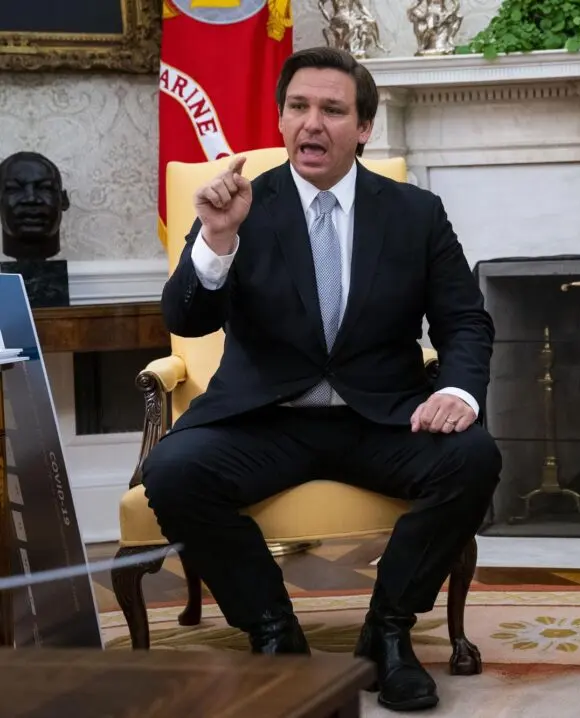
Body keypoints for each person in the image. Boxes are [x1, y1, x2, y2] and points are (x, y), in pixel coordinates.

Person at [141, 47, 501, 713]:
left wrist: (456, 393)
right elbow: (186, 318)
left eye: (332, 110)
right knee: (174, 471)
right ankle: (275, 633)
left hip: (381, 418)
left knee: (474, 457)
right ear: (280, 121)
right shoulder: (240, 202)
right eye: (298, 108)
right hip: (266, 419)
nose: (312, 123)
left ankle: (387, 635)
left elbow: (464, 321)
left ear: (363, 127)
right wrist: (217, 242)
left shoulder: (415, 213)